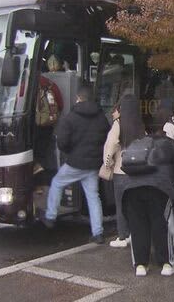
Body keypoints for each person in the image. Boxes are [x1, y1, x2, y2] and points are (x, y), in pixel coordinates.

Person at [118, 95, 174, 277]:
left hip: (130, 190)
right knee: (160, 224)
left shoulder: (139, 143)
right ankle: (166, 264)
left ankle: (141, 265)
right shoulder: (170, 144)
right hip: (159, 189)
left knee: (138, 225)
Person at [42, 86, 110, 245]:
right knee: (93, 196)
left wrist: (70, 153)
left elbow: (62, 142)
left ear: (78, 98)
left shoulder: (70, 117)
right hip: (93, 164)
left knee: (57, 183)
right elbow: (106, 139)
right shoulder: (101, 117)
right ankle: (98, 233)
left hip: (75, 163)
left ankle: (51, 217)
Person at [102, 101, 131, 248]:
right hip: (135, 171)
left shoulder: (118, 124)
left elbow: (111, 144)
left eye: (115, 110)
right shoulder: (137, 124)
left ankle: (122, 236)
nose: (112, 113)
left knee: (120, 205)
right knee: (132, 205)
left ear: (120, 111)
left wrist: (107, 163)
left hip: (120, 170)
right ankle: (133, 233)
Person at [33, 56, 65, 174]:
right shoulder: (50, 84)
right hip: (48, 123)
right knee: (45, 149)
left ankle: (36, 169)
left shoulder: (26, 83)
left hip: (31, 124)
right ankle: (43, 171)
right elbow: (60, 104)